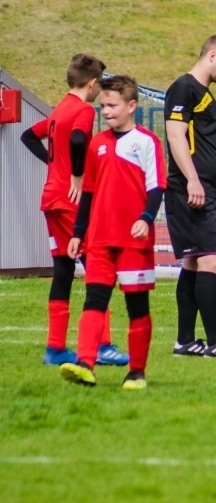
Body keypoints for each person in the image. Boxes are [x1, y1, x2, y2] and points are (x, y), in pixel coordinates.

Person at [20, 53, 129, 367]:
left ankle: (54, 348)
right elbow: (80, 139)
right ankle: (103, 345)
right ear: (93, 83)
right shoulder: (82, 110)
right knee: (98, 266)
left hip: (51, 199)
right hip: (69, 201)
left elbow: (29, 135)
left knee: (64, 271)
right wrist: (77, 176)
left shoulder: (59, 111)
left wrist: (55, 167)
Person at [59, 75, 166, 389]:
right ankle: (84, 364)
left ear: (131, 106)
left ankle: (137, 372)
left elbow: (156, 186)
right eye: (103, 105)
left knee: (137, 307)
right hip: (100, 239)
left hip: (134, 240)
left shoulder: (147, 142)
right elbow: (89, 192)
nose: (105, 110)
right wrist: (79, 233)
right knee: (94, 300)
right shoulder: (97, 143)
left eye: (112, 105)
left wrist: (146, 218)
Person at [165, 34, 216, 358]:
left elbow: (207, 145)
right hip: (191, 191)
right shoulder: (184, 88)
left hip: (206, 190)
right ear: (212, 55)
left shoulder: (203, 94)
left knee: (193, 262)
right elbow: (174, 134)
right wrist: (193, 181)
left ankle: (185, 340)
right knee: (211, 260)